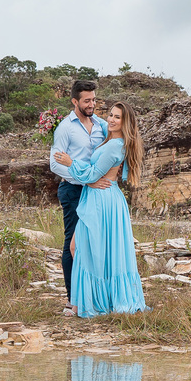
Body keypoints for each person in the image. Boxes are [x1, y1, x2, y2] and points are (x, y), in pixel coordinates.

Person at [53, 101, 147, 318]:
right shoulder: (111, 137)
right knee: (88, 249)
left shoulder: (115, 146)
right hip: (100, 197)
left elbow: (94, 175)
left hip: (102, 200)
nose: (112, 120)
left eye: (117, 117)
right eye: (111, 115)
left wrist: (70, 162)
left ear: (126, 123)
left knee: (81, 248)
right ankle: (83, 302)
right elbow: (99, 124)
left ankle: (86, 304)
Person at [49, 80, 112, 313]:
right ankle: (72, 298)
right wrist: (85, 178)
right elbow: (55, 164)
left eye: (94, 99)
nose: (92, 104)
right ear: (75, 101)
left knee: (94, 242)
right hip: (73, 189)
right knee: (72, 244)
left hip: (95, 191)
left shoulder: (100, 124)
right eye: (87, 100)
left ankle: (94, 295)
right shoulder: (65, 128)